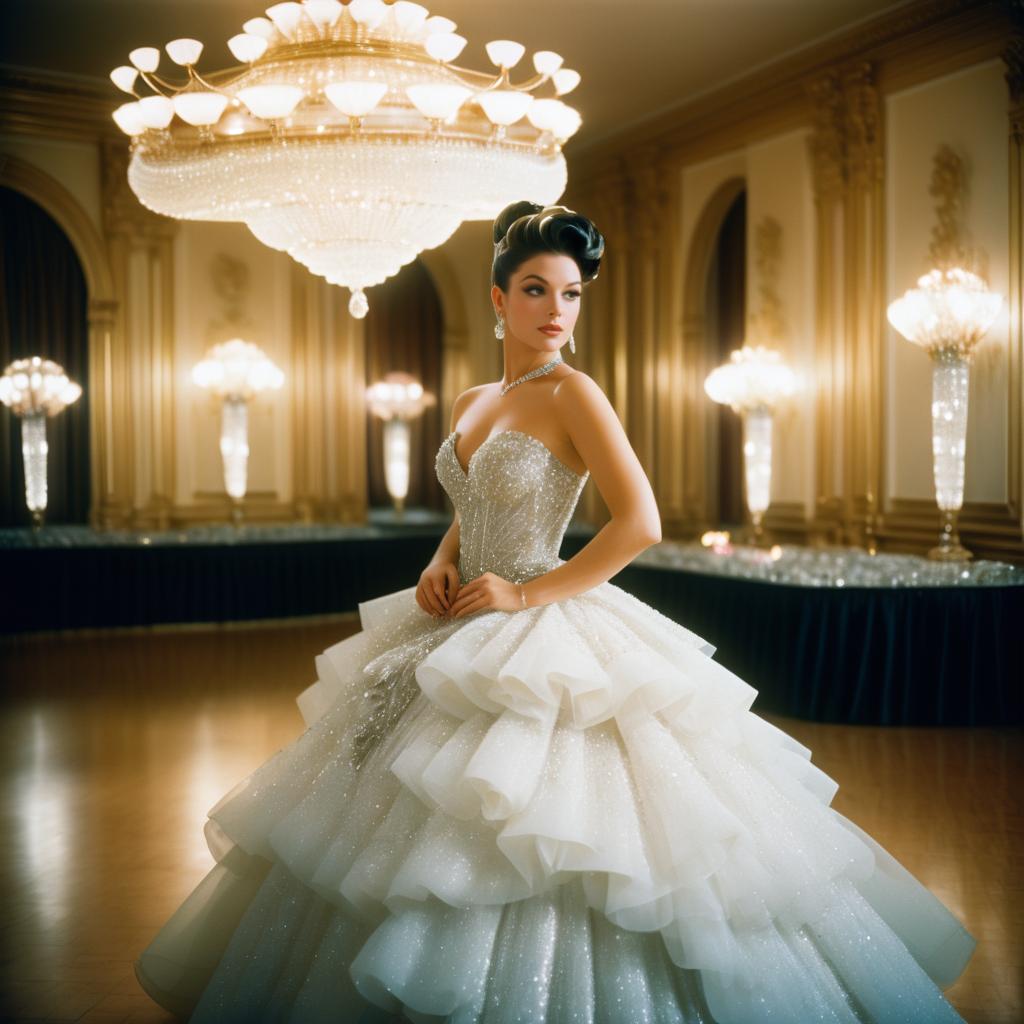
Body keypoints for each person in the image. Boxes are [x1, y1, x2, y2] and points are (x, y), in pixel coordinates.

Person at [134, 201, 976, 1023]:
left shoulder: (575, 392)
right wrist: (441, 558)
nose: (556, 310)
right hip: (458, 615)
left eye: (571, 293)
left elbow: (638, 521)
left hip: (545, 617)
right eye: (536, 289)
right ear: (498, 300)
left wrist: (529, 592)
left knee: (548, 823)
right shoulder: (472, 400)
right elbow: (474, 502)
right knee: (396, 818)